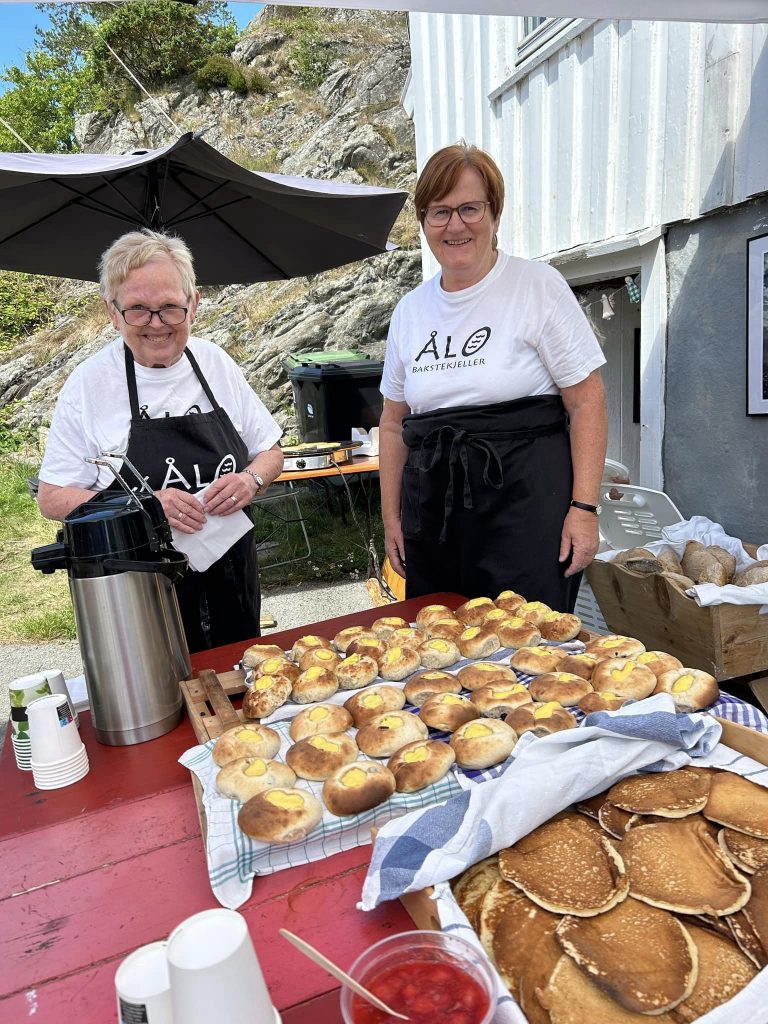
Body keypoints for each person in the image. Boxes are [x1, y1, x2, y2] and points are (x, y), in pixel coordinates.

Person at [379, 142, 608, 612]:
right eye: (440, 212)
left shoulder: (537, 286)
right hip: (434, 517)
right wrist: (391, 517)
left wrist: (584, 511)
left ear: (495, 214)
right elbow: (391, 423)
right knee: (440, 646)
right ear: (423, 222)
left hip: (525, 508)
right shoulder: (409, 312)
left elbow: (587, 402)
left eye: (469, 208)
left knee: (532, 648)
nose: (455, 225)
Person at [38, 229, 284, 652]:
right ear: (112, 313)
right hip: (141, 589)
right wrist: (145, 507)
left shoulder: (215, 363)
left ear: (195, 305)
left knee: (240, 683)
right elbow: (53, 497)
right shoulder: (90, 385)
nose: (156, 324)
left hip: (232, 574)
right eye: (138, 310)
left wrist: (250, 481)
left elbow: (270, 452)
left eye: (170, 307)